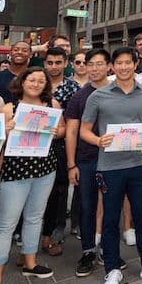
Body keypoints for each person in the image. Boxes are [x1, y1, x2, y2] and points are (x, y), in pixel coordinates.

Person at [79, 46, 142, 284]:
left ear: (135, 64)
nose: (124, 67)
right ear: (112, 66)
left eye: (128, 62)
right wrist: (98, 141)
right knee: (110, 218)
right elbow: (84, 130)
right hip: (109, 166)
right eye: (119, 63)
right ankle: (111, 269)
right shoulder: (98, 96)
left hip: (139, 164)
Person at [0, 67, 63, 284]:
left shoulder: (52, 104)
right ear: (23, 82)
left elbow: (61, 130)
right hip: (15, 170)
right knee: (5, 223)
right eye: (32, 79)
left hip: (45, 168)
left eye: (41, 80)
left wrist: (55, 131)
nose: (36, 83)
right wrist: (5, 130)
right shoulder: (9, 108)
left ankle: (30, 262)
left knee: (35, 217)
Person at [66, 48, 113, 277]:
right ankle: (87, 251)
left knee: (111, 206)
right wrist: (71, 164)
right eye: (89, 64)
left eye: (99, 64)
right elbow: (72, 132)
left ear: (108, 66)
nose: (94, 68)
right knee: (87, 206)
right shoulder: (79, 96)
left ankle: (108, 248)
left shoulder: (118, 92)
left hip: (115, 159)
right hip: (86, 160)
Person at [41, 47, 79, 257]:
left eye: (58, 62)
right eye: (50, 62)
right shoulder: (36, 83)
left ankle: (56, 228)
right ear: (45, 63)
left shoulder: (73, 87)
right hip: (32, 147)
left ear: (66, 63)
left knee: (60, 189)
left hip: (60, 144)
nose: (54, 66)